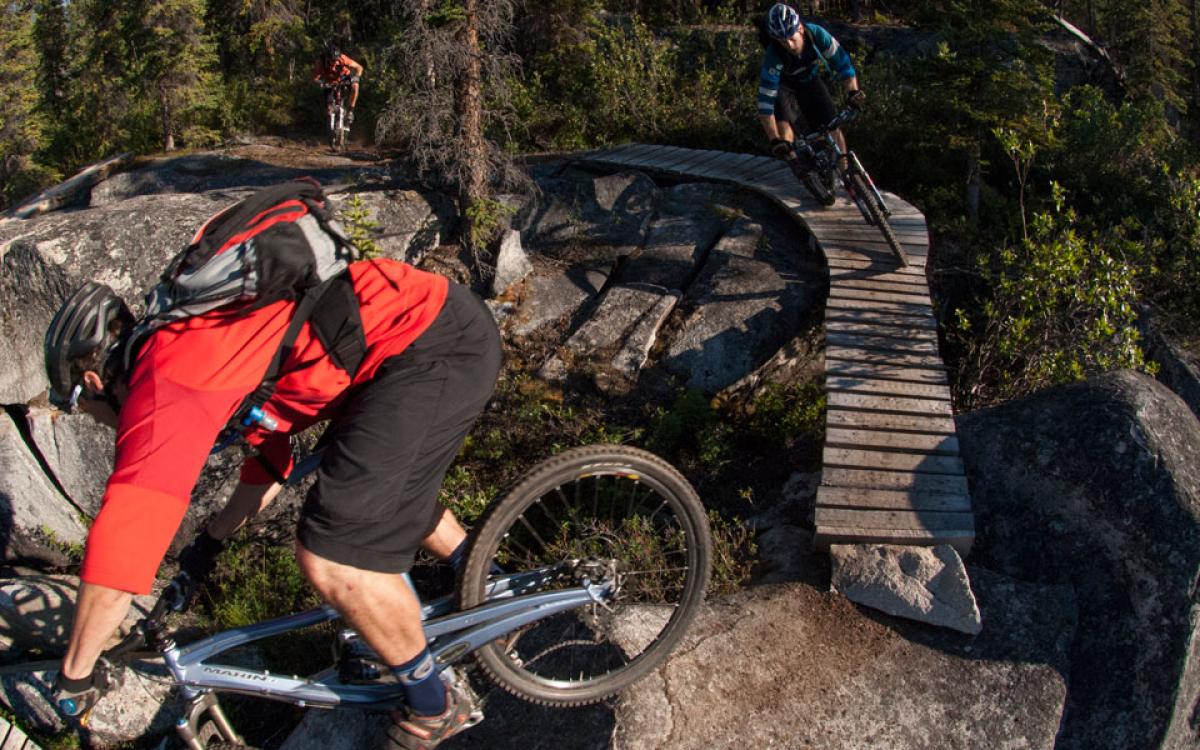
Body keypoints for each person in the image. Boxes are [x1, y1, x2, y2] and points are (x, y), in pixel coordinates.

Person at [44, 250, 501, 748]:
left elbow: (122, 548)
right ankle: (493, 589)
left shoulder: (163, 384)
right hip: (414, 341)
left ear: (93, 383)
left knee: (333, 552)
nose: (92, 419)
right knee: (370, 490)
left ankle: (436, 705)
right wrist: (205, 551)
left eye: (80, 408)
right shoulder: (190, 349)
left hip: (427, 343)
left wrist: (75, 675)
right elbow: (269, 465)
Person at [757, 4, 865, 169]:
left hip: (809, 80)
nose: (789, 45)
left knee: (833, 127)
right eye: (782, 41)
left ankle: (845, 174)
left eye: (791, 38)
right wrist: (774, 140)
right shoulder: (773, 56)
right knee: (785, 130)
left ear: (800, 28)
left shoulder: (817, 35)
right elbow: (765, 105)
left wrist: (853, 92)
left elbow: (844, 65)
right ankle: (799, 168)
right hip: (783, 86)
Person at [314, 42, 363, 123]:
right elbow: (315, 78)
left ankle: (350, 111)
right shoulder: (320, 62)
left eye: (336, 60)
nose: (335, 62)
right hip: (330, 81)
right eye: (332, 60)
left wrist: (357, 77)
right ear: (327, 58)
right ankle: (330, 125)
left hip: (344, 77)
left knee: (355, 86)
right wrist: (321, 82)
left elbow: (359, 67)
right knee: (328, 109)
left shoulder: (343, 58)